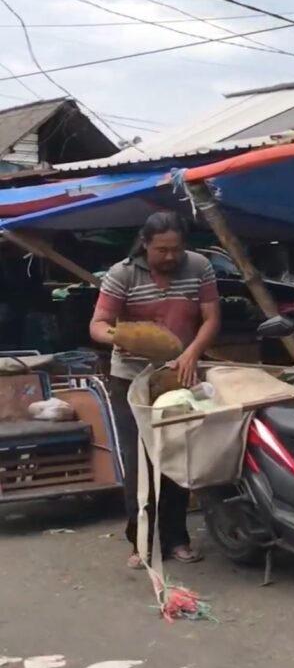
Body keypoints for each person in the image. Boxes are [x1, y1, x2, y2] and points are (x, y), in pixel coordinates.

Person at [90, 212, 221, 569]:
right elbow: (98, 324)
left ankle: (177, 539)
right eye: (162, 250)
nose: (170, 256)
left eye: (176, 249)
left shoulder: (199, 267)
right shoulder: (122, 273)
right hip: (130, 379)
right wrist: (117, 337)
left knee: (176, 456)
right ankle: (142, 543)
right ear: (145, 243)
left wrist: (192, 352)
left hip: (178, 374)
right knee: (139, 461)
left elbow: (211, 318)